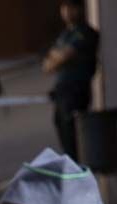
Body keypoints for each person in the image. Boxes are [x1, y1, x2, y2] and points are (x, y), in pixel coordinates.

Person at [44, 0, 99, 160]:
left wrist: (59, 57)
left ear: (79, 9)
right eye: (64, 8)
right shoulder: (65, 35)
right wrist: (58, 58)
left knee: (76, 140)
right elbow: (47, 65)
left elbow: (64, 55)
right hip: (62, 92)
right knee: (64, 136)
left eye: (71, 7)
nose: (67, 12)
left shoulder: (85, 32)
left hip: (76, 91)